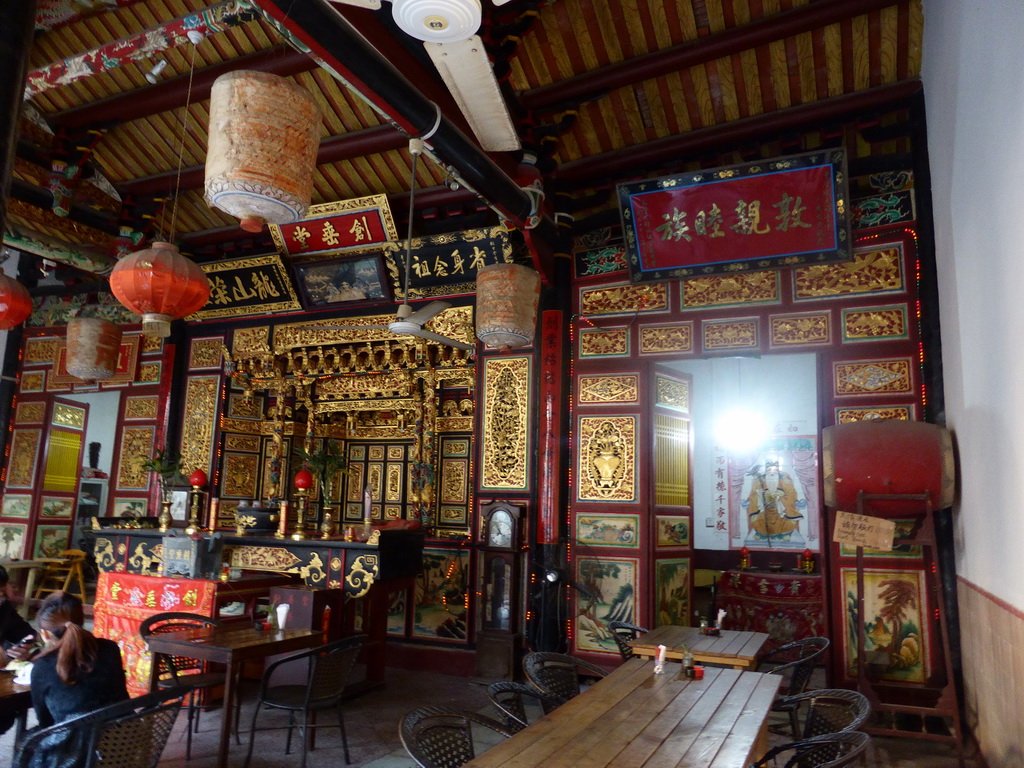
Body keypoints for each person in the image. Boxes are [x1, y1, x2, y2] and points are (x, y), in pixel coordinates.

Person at [29, 591, 128, 730]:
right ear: (81, 621)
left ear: (45, 634)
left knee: (28, 739)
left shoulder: (43, 666)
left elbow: (45, 721)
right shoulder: (110, 648)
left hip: (76, 748)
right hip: (124, 741)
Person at [744, 460, 806, 542]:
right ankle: (761, 533)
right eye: (769, 470)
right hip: (764, 506)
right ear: (765, 471)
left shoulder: (784, 480)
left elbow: (791, 493)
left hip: (780, 506)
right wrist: (760, 495)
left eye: (774, 470)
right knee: (758, 516)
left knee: (786, 515)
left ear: (778, 471)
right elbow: (753, 493)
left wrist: (781, 495)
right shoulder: (759, 480)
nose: (772, 473)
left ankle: (785, 533)